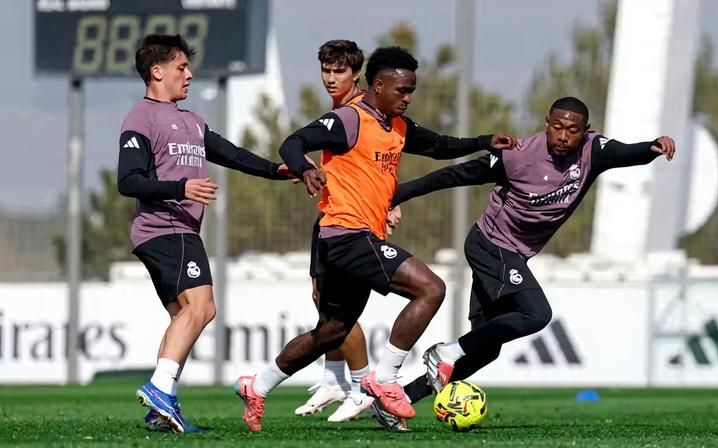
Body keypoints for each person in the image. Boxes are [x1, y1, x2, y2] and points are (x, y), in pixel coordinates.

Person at [232, 46, 517, 432]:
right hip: (347, 235)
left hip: (354, 240)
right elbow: (293, 142)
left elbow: (439, 146)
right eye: (402, 90)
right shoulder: (348, 120)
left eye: (411, 90)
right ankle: (384, 381)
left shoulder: (397, 125)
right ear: (378, 86)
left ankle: (257, 385)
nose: (408, 97)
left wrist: (484, 140)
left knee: (331, 330)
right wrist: (303, 169)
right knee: (431, 289)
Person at [389, 96, 676, 411]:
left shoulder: (593, 152)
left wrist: (654, 146)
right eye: (557, 127)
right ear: (547, 123)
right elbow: (453, 176)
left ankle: (400, 398)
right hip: (490, 246)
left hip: (511, 255)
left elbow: (627, 152)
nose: (563, 136)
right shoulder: (518, 156)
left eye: (572, 130)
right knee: (537, 314)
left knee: (486, 349)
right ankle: (447, 351)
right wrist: (396, 195)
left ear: (586, 132)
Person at [117, 34, 290, 433]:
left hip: (176, 231)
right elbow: (129, 181)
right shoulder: (140, 118)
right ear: (156, 72)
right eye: (181, 68)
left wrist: (274, 170)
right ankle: (160, 390)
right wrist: (182, 189)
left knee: (184, 315)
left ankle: (160, 410)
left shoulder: (192, 121)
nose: (189, 75)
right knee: (203, 307)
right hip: (166, 228)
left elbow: (230, 153)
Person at [295, 39, 398, 423]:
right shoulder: (340, 112)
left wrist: (390, 201)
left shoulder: (359, 111)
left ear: (357, 74)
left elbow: (385, 155)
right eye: (326, 70)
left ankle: (361, 387)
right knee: (322, 298)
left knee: (340, 311)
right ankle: (335, 378)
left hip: (351, 224)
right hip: (330, 216)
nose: (330, 78)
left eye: (339, 71)